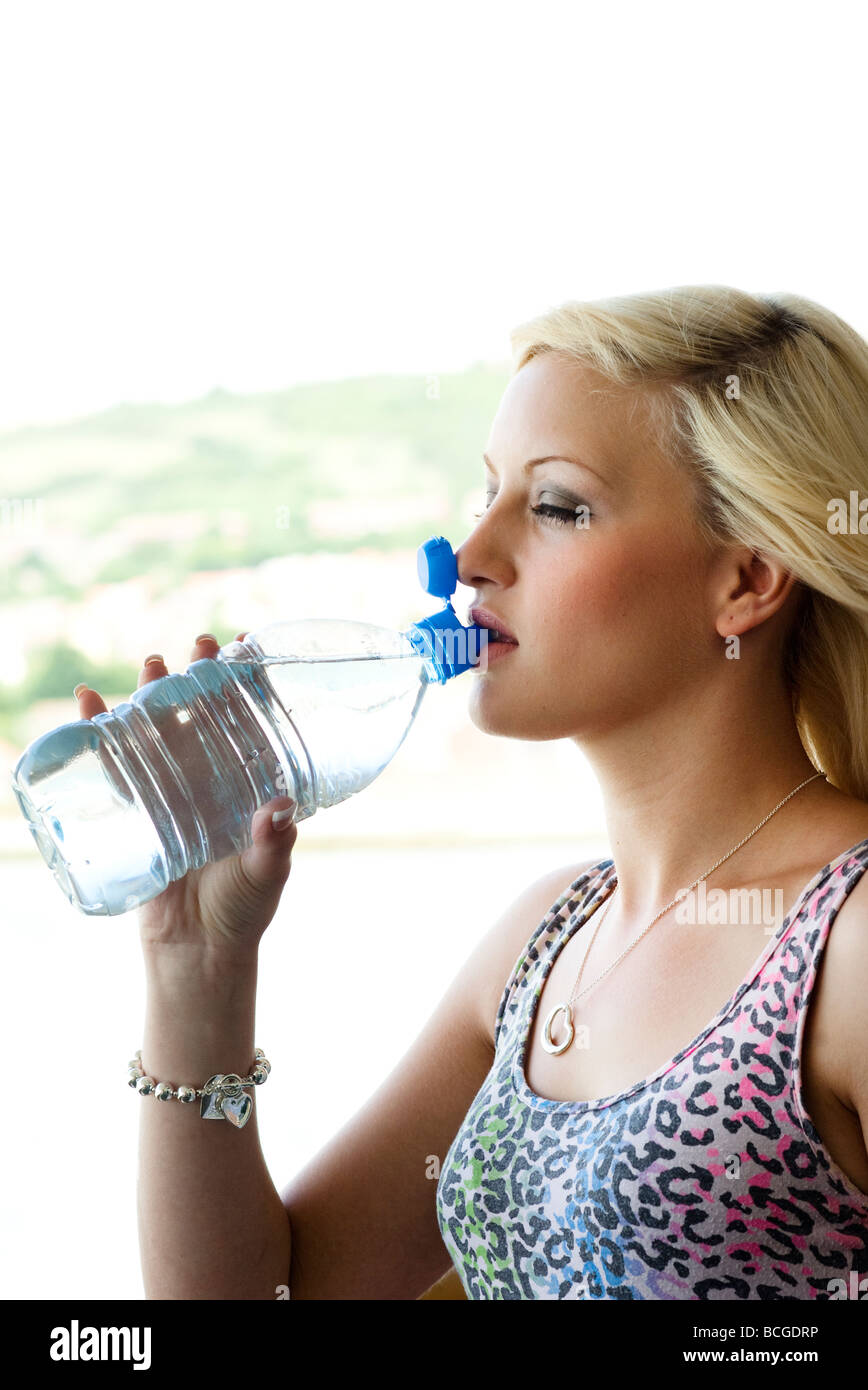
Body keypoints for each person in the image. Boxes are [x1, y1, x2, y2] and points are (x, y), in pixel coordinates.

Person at [75, 285, 868, 1300]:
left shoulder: (844, 942)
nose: (472, 561)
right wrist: (197, 960)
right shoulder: (538, 943)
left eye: (554, 505)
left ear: (747, 579)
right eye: (484, 496)